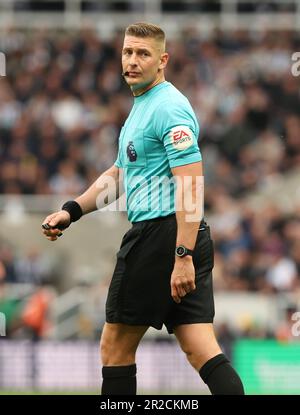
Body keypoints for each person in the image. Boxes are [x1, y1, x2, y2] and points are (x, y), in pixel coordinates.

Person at [42, 22, 244, 395]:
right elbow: (119, 176)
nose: (132, 61)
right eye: (127, 52)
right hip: (185, 236)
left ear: (162, 60)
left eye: (142, 54)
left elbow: (191, 182)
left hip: (163, 235)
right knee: (200, 347)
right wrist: (72, 210)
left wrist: (181, 255)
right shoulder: (141, 108)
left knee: (115, 346)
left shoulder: (169, 107)